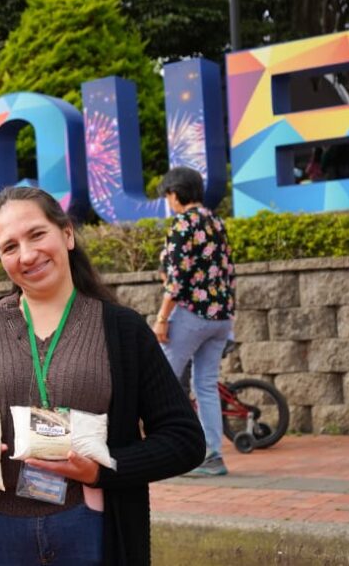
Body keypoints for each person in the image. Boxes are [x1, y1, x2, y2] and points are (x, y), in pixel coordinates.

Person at [0, 186, 204, 566]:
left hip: (89, 527)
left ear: (67, 234)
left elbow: (184, 439)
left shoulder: (121, 330)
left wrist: (101, 469)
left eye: (37, 234)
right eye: (10, 247)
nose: (27, 255)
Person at [154, 167, 236, 476]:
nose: (169, 202)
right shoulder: (216, 221)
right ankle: (212, 456)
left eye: (168, 196)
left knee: (159, 381)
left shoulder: (182, 223)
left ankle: (158, 450)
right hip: (221, 316)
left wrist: (162, 318)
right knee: (205, 385)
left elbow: (176, 280)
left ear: (175, 194)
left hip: (192, 314)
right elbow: (228, 271)